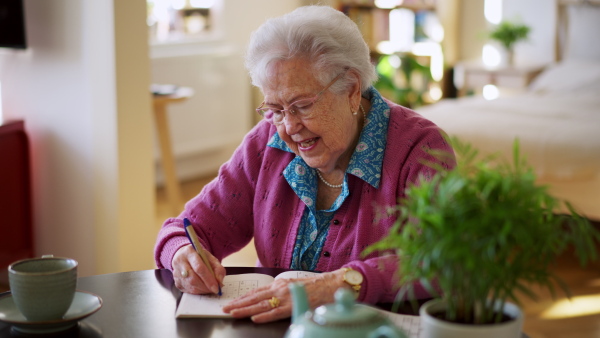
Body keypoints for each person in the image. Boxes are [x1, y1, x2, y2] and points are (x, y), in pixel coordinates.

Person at [154, 5, 455, 323]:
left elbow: (445, 262)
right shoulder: (268, 142)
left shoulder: (420, 151)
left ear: (351, 90)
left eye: (301, 105)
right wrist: (181, 255)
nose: (288, 126)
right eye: (275, 109)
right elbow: (184, 229)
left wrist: (340, 284)